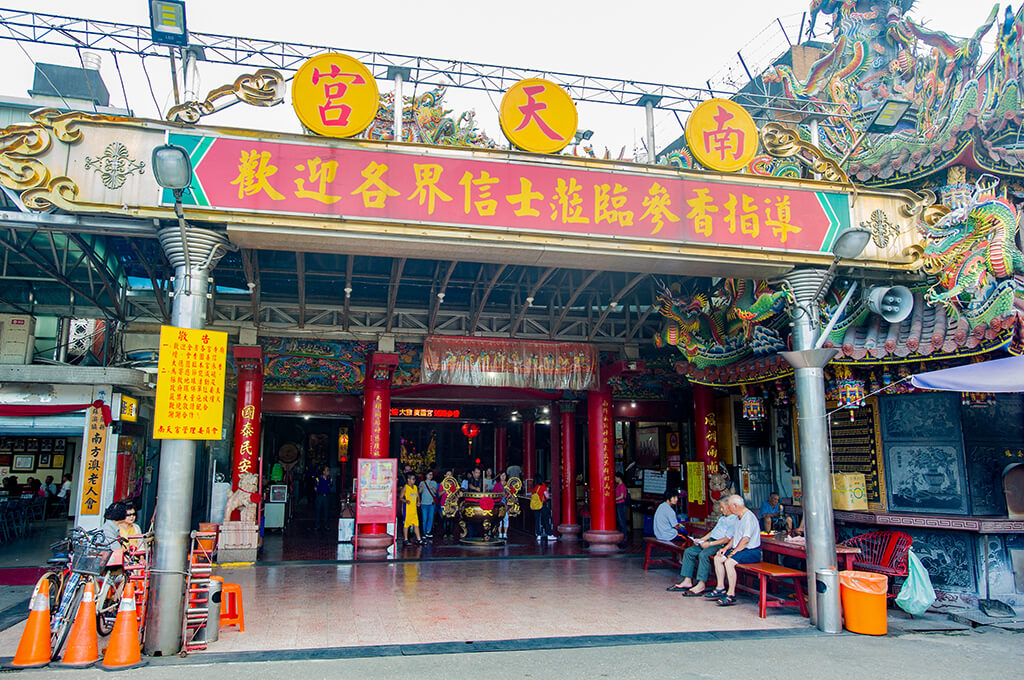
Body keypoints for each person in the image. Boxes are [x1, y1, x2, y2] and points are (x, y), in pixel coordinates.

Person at [667, 499, 736, 596]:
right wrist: (701, 540)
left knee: (703, 554)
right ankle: (687, 580)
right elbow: (712, 532)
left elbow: (726, 539)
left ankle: (701, 583)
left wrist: (709, 544)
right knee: (689, 551)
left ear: (729, 507)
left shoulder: (734, 520)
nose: (721, 510)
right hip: (711, 541)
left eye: (722, 507)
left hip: (719, 544)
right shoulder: (722, 518)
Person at [710, 495, 762, 606]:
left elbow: (745, 540)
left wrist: (734, 552)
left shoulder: (748, 517)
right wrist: (726, 548)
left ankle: (731, 594)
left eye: (729, 507)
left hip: (751, 551)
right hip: (740, 549)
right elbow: (735, 537)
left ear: (735, 505)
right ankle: (720, 588)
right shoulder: (739, 517)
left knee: (729, 563)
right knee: (718, 558)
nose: (728, 509)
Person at [401, 473, 422, 545]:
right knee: (406, 524)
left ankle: (419, 539)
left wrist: (418, 501)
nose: (414, 480)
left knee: (416, 524)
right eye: (412, 479)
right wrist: (406, 501)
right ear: (408, 480)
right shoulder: (405, 487)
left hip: (414, 509)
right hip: (407, 509)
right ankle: (405, 539)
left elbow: (417, 495)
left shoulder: (415, 487)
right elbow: (400, 498)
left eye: (414, 479)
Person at [418, 470, 439, 538]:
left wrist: (432, 488)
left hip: (431, 503)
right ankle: (424, 532)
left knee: (431, 518)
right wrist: (421, 487)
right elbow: (419, 492)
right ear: (426, 475)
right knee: (424, 518)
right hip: (424, 503)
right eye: (429, 474)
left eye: (431, 475)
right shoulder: (422, 482)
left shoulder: (434, 483)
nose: (430, 476)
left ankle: (428, 531)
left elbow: (436, 492)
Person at [313, 466, 332, 530]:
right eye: (327, 470)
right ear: (323, 472)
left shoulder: (330, 479)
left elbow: (330, 486)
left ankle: (326, 525)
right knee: (318, 510)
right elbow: (315, 488)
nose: (328, 472)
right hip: (319, 496)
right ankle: (317, 525)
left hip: (326, 496)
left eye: (328, 470)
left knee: (326, 511)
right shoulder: (318, 479)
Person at [493, 471, 510, 539]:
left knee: (506, 519)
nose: (503, 477)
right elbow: (494, 494)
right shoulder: (497, 484)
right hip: (499, 504)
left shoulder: (508, 484)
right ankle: (500, 533)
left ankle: (505, 533)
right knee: (499, 519)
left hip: (506, 504)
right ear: (499, 476)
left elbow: (512, 493)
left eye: (504, 475)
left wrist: (507, 494)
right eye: (501, 475)